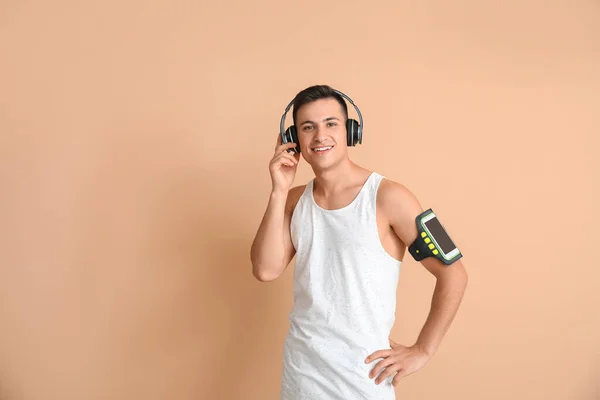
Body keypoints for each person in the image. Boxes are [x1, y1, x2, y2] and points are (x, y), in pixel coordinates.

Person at [250, 85, 468, 399]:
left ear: (350, 131)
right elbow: (265, 270)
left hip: (364, 381)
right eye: (307, 127)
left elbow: (454, 272)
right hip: (302, 379)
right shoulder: (293, 201)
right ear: (293, 139)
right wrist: (279, 190)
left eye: (331, 124)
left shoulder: (391, 198)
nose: (320, 136)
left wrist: (423, 349)